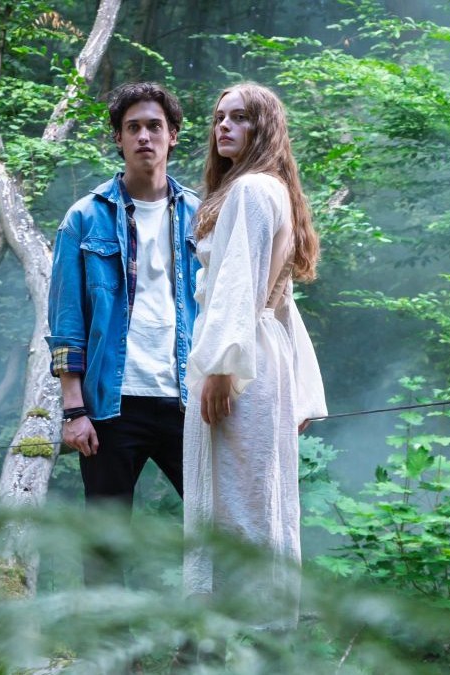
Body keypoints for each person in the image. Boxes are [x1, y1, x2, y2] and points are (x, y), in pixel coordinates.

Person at [46, 82, 200, 584]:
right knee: (106, 545)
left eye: (155, 126)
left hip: (188, 400)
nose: (144, 136)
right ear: (118, 138)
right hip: (112, 406)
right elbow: (66, 322)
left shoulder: (203, 216)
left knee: (217, 529)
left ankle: (211, 631)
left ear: (173, 135)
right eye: (133, 127)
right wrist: (73, 410)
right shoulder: (84, 217)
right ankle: (107, 634)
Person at [182, 82, 327, 601]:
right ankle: (261, 622)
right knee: (256, 492)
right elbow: (278, 301)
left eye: (239, 117)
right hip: (261, 357)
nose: (224, 125)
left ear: (263, 128)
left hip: (241, 363)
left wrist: (223, 368)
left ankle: (235, 622)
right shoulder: (273, 190)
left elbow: (243, 289)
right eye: (220, 117)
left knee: (236, 498)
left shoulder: (251, 191)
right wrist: (301, 388)